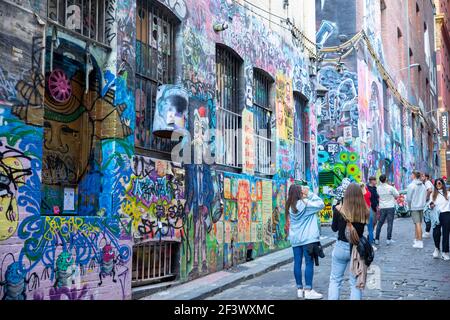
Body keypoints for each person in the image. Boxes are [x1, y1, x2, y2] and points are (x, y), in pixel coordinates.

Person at [328, 183, 370, 300]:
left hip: (341, 246)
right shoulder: (365, 210)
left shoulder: (338, 209)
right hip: (356, 249)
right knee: (355, 283)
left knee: (335, 280)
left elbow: (334, 228)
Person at [285, 185, 325, 300]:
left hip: (296, 239)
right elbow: (321, 204)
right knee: (309, 263)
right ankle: (308, 290)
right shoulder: (306, 204)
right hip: (308, 239)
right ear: (299, 193)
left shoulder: (289, 206)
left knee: (297, 263)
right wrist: (310, 194)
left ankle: (299, 289)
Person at [428, 178, 450, 260]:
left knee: (446, 234)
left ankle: (445, 252)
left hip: (446, 214)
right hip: (436, 214)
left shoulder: (448, 194)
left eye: (440, 183)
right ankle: (437, 248)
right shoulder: (433, 194)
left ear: (443, 184)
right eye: (437, 184)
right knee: (436, 233)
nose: (438, 185)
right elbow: (429, 204)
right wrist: (431, 205)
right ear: (435, 185)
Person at [375, 175, 399, 246]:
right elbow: (397, 195)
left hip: (382, 207)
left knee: (380, 223)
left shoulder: (378, 188)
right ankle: (388, 239)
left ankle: (377, 239)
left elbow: (377, 196)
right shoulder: (390, 187)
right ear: (385, 179)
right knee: (390, 223)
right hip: (390, 206)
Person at [406, 171, 428, 249]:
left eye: (411, 174)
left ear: (414, 176)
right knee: (418, 224)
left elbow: (408, 198)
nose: (410, 176)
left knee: (417, 224)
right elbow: (425, 196)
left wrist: (409, 207)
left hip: (414, 207)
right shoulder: (423, 185)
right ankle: (416, 239)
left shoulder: (411, 185)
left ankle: (420, 241)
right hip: (421, 206)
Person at [366, 177, 379, 248]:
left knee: (374, 224)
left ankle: (370, 238)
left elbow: (376, 198)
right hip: (370, 209)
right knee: (370, 227)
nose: (376, 181)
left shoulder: (375, 188)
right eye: (375, 180)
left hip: (375, 209)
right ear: (371, 181)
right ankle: (370, 244)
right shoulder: (367, 189)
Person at [422, 173, 434, 238]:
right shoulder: (428, 182)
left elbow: (429, 190)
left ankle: (427, 232)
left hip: (429, 203)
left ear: (426, 177)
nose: (421, 178)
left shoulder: (427, 182)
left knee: (427, 218)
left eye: (423, 176)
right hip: (431, 202)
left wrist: (427, 198)